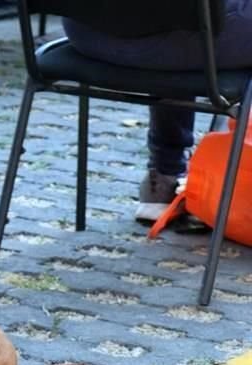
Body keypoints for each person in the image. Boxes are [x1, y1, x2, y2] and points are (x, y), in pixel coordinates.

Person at [61, 1, 252, 225]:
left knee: (171, 14)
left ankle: (165, 174)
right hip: (179, 39)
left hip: (86, 31)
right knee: (181, 17)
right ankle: (228, 181)